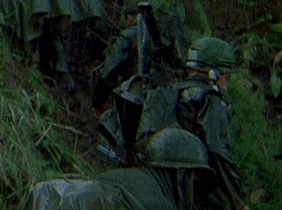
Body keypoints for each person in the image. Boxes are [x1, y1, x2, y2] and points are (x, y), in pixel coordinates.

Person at [132, 37, 249, 210]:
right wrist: (239, 202)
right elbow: (217, 149)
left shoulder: (164, 93)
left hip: (151, 183)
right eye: (227, 77)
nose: (226, 85)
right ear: (215, 74)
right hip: (191, 191)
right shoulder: (210, 99)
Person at [20, 127, 212, 210]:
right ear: (179, 173)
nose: (196, 182)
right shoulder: (157, 203)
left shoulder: (125, 179)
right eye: (194, 175)